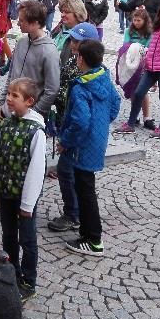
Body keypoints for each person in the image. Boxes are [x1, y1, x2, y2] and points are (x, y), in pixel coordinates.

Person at [58, 40, 121, 256]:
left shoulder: (81, 87)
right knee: (85, 187)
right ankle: (86, 233)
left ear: (81, 59)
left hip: (81, 146)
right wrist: (101, 124)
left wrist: (65, 141)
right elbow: (115, 103)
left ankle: (93, 239)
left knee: (85, 191)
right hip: (96, 141)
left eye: (77, 56)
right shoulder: (103, 77)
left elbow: (80, 122)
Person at [0, 77, 46, 301]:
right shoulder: (6, 124)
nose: (9, 99)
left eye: (15, 96)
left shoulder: (36, 131)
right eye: (9, 94)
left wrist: (28, 204)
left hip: (24, 198)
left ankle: (28, 281)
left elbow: (36, 170)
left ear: (29, 101)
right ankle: (11, 273)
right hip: (6, 192)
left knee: (27, 240)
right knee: (9, 235)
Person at [43, 21, 99, 232]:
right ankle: (77, 213)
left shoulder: (87, 69)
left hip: (76, 128)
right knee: (73, 172)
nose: (72, 43)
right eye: (72, 39)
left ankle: (73, 214)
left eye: (77, 40)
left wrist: (67, 138)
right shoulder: (74, 62)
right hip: (67, 121)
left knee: (67, 170)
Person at [114, 2, 160, 139]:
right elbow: (151, 47)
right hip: (151, 67)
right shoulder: (156, 27)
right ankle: (130, 124)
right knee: (139, 92)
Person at [0, 0, 60, 122]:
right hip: (7, 112)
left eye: (21, 20)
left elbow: (52, 90)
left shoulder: (50, 51)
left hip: (28, 120)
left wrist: (32, 114)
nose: (18, 23)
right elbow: (11, 76)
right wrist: (1, 104)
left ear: (35, 23)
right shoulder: (21, 42)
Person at [121, 9, 154, 129]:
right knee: (133, 89)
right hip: (131, 64)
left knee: (143, 91)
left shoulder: (149, 33)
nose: (136, 22)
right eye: (134, 20)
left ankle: (147, 117)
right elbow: (125, 44)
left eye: (138, 20)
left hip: (143, 64)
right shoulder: (128, 31)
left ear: (145, 21)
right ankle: (134, 116)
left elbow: (149, 47)